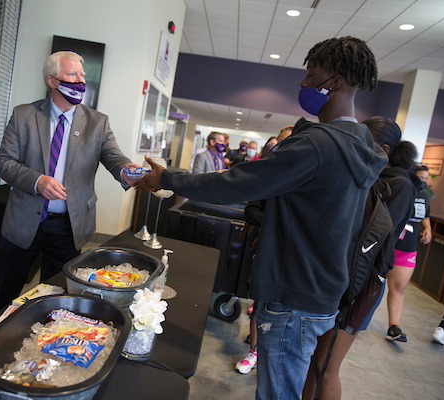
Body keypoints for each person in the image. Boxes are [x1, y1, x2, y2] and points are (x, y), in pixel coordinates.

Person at [136, 36, 386, 399]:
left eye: (311, 75)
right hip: (322, 291)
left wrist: (167, 178)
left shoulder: (318, 145)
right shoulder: (362, 143)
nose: (302, 84)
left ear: (335, 82)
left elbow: (235, 183)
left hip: (293, 294)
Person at [0, 51, 140, 325]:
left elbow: (114, 156)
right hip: (23, 222)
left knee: (57, 298)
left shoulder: (97, 122)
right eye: (72, 74)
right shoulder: (24, 115)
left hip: (68, 227)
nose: (81, 80)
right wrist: (37, 181)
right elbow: (3, 163)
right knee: (3, 292)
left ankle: (41, 350)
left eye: (82, 75)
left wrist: (129, 171)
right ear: (52, 81)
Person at [302, 116, 421, 400]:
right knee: (314, 363)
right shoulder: (375, 176)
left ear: (384, 148)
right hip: (343, 277)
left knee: (326, 366)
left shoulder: (400, 185)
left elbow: (369, 238)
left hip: (360, 282)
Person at [236, 128, 294, 375]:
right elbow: (251, 211)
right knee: (260, 303)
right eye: (278, 142)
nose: (281, 146)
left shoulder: (306, 177)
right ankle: (254, 351)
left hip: (295, 258)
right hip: (267, 250)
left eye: (287, 142)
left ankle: (273, 355)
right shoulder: (267, 174)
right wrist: (275, 225)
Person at [385, 163, 432, 342]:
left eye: (426, 179)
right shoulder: (401, 188)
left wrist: (428, 229)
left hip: (408, 247)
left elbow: (425, 216)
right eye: (421, 178)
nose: (423, 182)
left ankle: (393, 327)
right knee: (375, 285)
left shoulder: (424, 196)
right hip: (390, 244)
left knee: (399, 288)